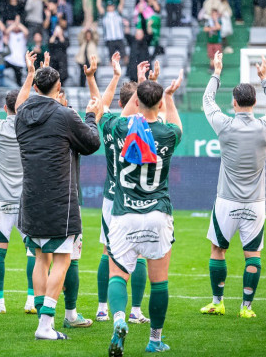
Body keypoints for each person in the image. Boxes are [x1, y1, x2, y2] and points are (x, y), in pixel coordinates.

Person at [15, 66, 101, 340]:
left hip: (30, 198)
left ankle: (43, 319)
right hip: (59, 200)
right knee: (62, 259)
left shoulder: (20, 116)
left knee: (41, 257)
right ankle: (45, 324)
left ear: (36, 87)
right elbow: (91, 143)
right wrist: (90, 116)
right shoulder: (64, 115)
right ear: (58, 86)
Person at [103, 75, 184, 355]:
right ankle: (154, 339)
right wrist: (170, 96)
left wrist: (135, 100)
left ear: (135, 101)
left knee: (118, 274)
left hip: (124, 213)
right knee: (159, 281)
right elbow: (177, 124)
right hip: (157, 214)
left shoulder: (120, 128)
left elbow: (111, 117)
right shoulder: (168, 134)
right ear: (160, 103)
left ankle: (119, 320)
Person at [200, 52, 266, 318]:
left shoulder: (224, 126)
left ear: (234, 103)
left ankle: (217, 301)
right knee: (253, 254)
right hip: (255, 202)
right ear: (254, 102)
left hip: (226, 200)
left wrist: (217, 72)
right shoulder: (265, 127)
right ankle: (246, 307)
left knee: (217, 249)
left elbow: (207, 100)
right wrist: (265, 79)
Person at [93, 54, 152, 326]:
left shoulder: (110, 126)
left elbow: (100, 106)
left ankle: (103, 308)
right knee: (138, 254)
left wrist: (104, 76)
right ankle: (136, 310)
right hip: (137, 198)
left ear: (121, 103)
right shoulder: (148, 129)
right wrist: (145, 83)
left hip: (110, 198)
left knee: (108, 252)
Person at [0, 53, 37, 315]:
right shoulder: (31, 129)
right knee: (32, 251)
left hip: (1, 199)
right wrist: (33, 73)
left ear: (5, 108)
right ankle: (29, 299)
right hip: (27, 199)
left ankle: (0, 302)